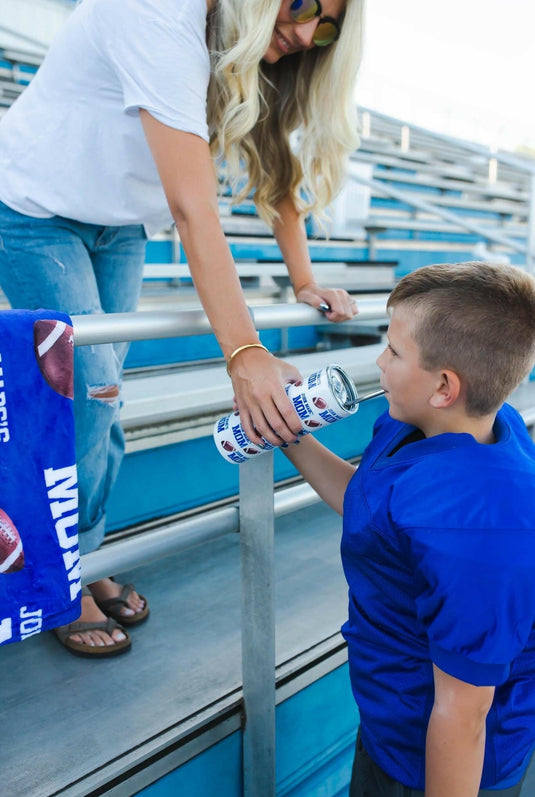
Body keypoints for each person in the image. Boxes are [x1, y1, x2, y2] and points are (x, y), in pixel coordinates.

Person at [0, 0, 365, 656]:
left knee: (104, 399)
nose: (308, 32)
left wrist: (303, 279)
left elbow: (274, 163)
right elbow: (192, 206)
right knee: (90, 391)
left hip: (119, 221)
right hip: (36, 208)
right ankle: (58, 576)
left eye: (329, 25)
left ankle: (82, 550)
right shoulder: (157, 11)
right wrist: (245, 351)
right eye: (303, 4)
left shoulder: (246, 45)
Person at [282, 261, 535, 797]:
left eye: (395, 352)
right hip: (392, 724)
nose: (379, 360)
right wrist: (290, 433)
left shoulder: (482, 528)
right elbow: (369, 504)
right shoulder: (424, 423)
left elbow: (464, 714)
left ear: (444, 386)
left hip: (445, 765)